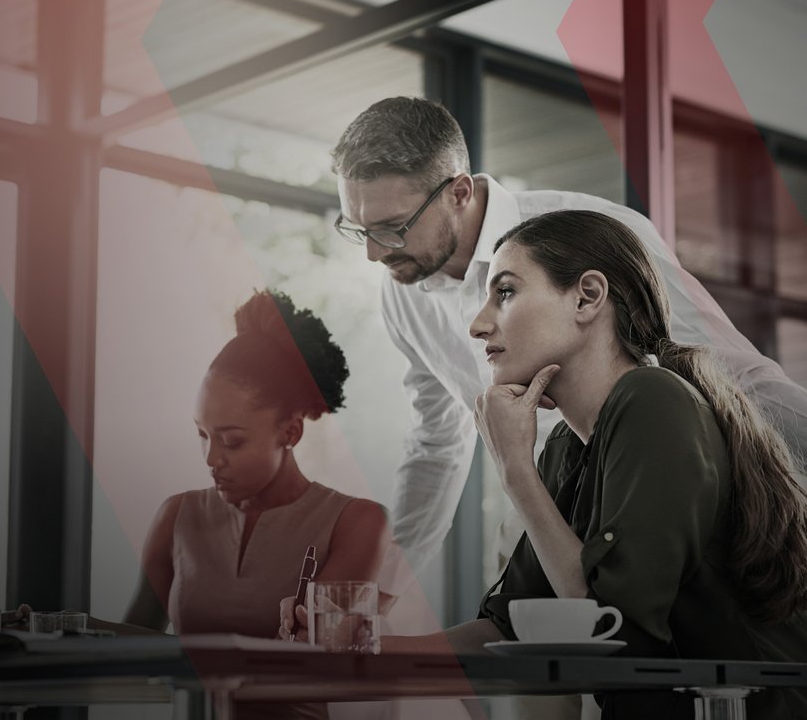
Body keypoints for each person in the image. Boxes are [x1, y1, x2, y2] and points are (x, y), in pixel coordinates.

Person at [328, 96, 807, 582]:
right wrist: (381, 588)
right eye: (358, 229)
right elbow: (436, 444)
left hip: (647, 508)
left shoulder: (592, 233)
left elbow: (732, 376)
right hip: (531, 515)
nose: (372, 254)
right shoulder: (403, 295)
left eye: (392, 228)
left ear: (459, 193)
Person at [375, 210, 807, 720]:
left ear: (587, 297)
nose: (477, 323)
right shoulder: (568, 445)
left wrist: (516, 471)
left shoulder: (654, 401)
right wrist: (363, 653)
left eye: (506, 292)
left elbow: (613, 630)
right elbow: (508, 628)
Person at [80, 291, 389, 720]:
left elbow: (317, 660)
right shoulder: (176, 516)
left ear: (291, 432)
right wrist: (62, 627)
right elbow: (135, 639)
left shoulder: (357, 522)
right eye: (202, 435)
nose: (210, 460)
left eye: (231, 440)